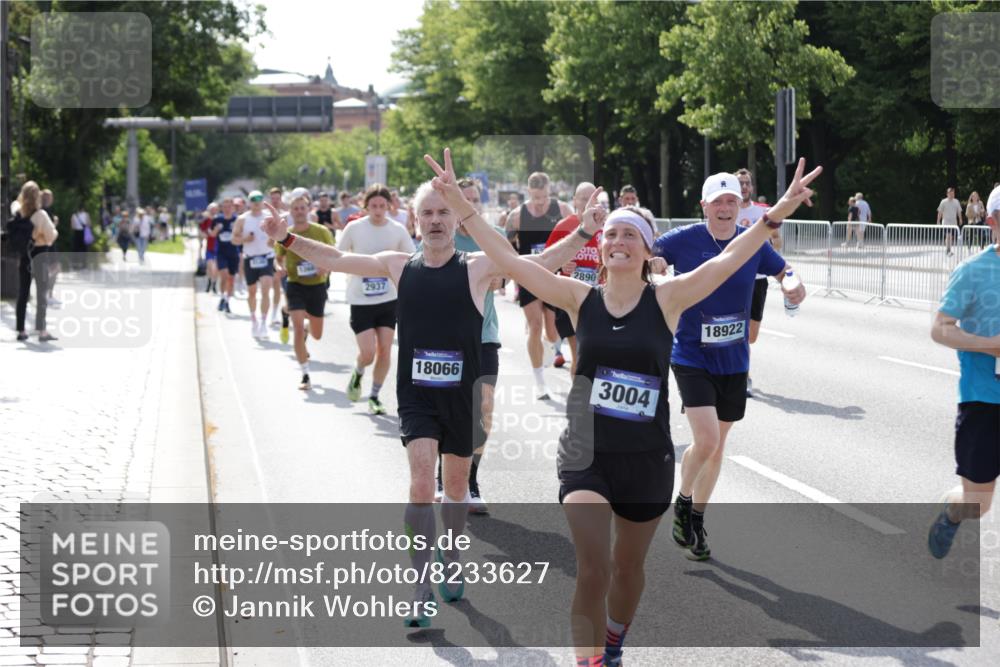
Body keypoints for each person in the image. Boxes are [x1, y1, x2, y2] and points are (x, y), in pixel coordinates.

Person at [435, 149, 821, 667]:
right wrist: (461, 206)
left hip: (647, 459)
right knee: (592, 567)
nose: (618, 241)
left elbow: (731, 259)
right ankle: (590, 660)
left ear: (647, 249)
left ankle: (615, 639)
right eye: (611, 233)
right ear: (601, 244)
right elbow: (509, 262)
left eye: (630, 235)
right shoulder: (578, 298)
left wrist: (775, 216)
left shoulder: (668, 299)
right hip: (585, 456)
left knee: (627, 569)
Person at [259, 152, 608, 628]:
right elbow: (337, 260)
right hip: (418, 395)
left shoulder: (479, 267)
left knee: (457, 488)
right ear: (415, 221)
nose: (437, 220)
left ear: (456, 218)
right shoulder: (398, 265)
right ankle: (419, 588)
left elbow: (543, 263)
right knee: (423, 483)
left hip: (462, 395)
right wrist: (287, 239)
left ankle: (451, 554)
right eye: (428, 213)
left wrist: (586, 231)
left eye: (445, 211)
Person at [651, 171, 807, 561]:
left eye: (731, 202)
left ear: (741, 206)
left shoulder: (750, 240)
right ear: (704, 206)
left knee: (716, 449)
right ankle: (683, 502)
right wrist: (651, 267)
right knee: (705, 440)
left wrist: (792, 283)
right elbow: (651, 257)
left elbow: (784, 268)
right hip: (690, 354)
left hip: (735, 358)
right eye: (717, 202)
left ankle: (696, 520)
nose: (724, 208)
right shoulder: (682, 239)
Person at [928, 184, 1000, 559]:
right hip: (984, 399)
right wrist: (991, 346)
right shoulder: (972, 271)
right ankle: (953, 511)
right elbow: (941, 328)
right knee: (978, 503)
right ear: (992, 221)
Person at [338, 184, 416, 414]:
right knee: (368, 353)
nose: (379, 210)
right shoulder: (354, 228)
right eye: (374, 205)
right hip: (360, 299)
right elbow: (339, 255)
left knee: (385, 350)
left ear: (389, 206)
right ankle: (358, 372)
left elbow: (411, 257)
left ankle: (375, 395)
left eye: (383, 205)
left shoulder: (397, 229)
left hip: (389, 299)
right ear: (366, 206)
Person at [506, 172, 574, 399]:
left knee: (553, 333)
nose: (540, 202)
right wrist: (511, 270)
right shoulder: (517, 216)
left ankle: (547, 347)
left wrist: (572, 261)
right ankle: (540, 382)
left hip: (554, 275)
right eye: (536, 198)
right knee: (534, 325)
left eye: (544, 197)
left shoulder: (562, 210)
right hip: (528, 275)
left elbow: (577, 238)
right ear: (529, 193)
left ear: (549, 191)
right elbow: (506, 247)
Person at [272, 195, 335, 390]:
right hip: (295, 284)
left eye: (302, 208)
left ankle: (308, 327)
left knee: (316, 335)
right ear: (290, 212)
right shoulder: (285, 233)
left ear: (309, 210)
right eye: (295, 209)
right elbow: (278, 259)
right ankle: (305, 374)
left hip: (317, 286)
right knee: (297, 328)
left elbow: (334, 255)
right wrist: (278, 268)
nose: (299, 211)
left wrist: (325, 267)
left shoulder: (321, 231)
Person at [543, 181, 602, 375]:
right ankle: (578, 401)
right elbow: (546, 261)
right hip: (569, 299)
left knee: (596, 355)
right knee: (580, 354)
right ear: (575, 200)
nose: (588, 202)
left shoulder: (605, 226)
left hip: (598, 298)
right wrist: (561, 265)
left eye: (592, 198)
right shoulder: (564, 226)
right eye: (584, 198)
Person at [735, 168, 780, 397]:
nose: (743, 187)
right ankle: (743, 376)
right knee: (739, 331)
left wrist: (772, 242)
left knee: (751, 335)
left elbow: (778, 243)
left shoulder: (763, 212)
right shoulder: (726, 211)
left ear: (751, 187)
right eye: (740, 183)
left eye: (746, 183)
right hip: (734, 278)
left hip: (758, 279)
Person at [13, 181, 59, 342]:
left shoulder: (18, 213)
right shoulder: (41, 215)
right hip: (40, 255)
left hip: (25, 256)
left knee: (23, 293)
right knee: (41, 294)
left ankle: (21, 330)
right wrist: (53, 227)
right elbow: (51, 237)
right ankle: (42, 331)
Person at [233, 191, 276, 339]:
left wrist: (273, 241)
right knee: (252, 292)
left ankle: (264, 323)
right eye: (253, 199)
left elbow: (278, 236)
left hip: (267, 257)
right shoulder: (242, 219)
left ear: (263, 201)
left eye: (259, 199)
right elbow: (234, 239)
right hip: (250, 258)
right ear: (249, 202)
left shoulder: (268, 217)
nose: (256, 202)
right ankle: (254, 321)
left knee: (265, 288)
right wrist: (245, 238)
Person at [211, 197, 240, 312]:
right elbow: (212, 235)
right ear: (221, 208)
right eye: (224, 207)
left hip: (233, 252)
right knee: (224, 275)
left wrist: (235, 232)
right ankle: (222, 297)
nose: (227, 209)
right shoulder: (217, 219)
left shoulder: (237, 220)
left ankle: (227, 301)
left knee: (231, 279)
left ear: (232, 208)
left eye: (229, 206)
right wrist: (217, 230)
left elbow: (241, 235)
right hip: (221, 252)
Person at [199, 203, 220, 293]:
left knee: (216, 268)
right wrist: (203, 237)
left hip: (219, 248)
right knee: (209, 266)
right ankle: (209, 283)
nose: (213, 211)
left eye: (215, 209)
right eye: (211, 209)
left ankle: (214, 284)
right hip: (209, 247)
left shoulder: (220, 220)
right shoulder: (206, 221)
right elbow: (201, 232)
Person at [937, 187, 963, 257]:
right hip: (945, 221)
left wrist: (960, 219)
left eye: (953, 193)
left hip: (953, 222)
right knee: (947, 235)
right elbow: (940, 211)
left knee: (951, 236)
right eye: (950, 193)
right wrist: (938, 220)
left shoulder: (956, 201)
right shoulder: (943, 201)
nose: (952, 195)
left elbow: (959, 211)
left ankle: (949, 249)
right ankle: (947, 249)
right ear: (947, 194)